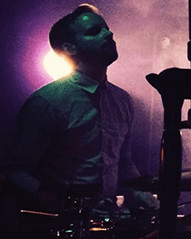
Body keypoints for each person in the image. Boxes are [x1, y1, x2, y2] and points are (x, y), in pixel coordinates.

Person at [1, 3, 158, 238]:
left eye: (106, 29)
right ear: (69, 47)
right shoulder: (47, 102)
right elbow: (14, 169)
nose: (109, 34)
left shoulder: (123, 100)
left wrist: (141, 194)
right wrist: (51, 197)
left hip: (106, 225)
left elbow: (123, 162)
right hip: (55, 229)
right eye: (95, 31)